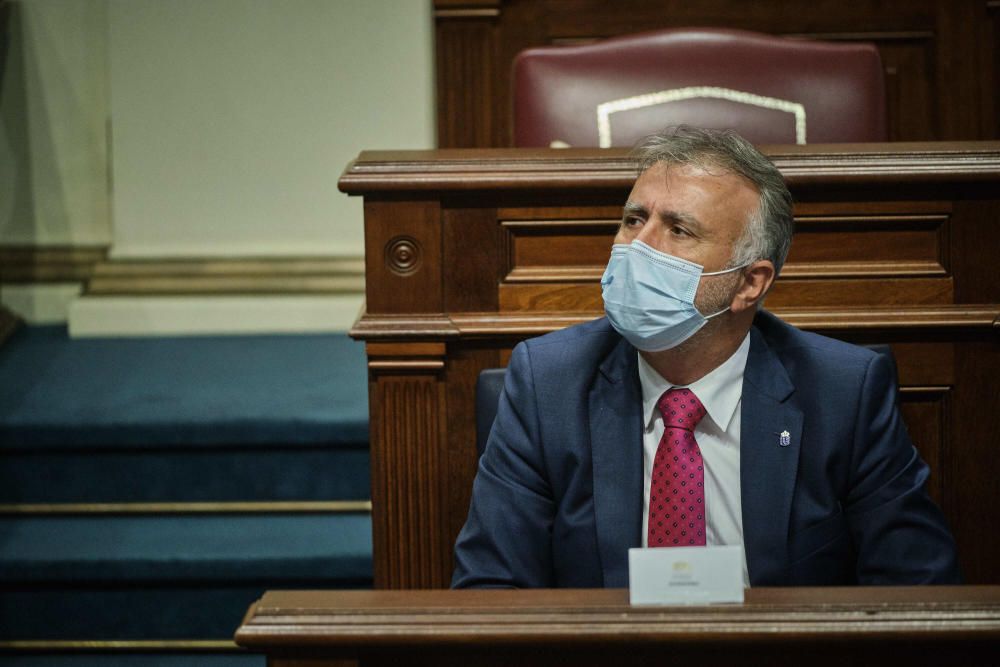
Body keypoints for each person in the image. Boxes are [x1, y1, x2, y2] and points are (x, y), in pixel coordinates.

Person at [452, 126, 960, 588]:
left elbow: (915, 587)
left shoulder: (843, 392)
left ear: (749, 282)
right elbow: (492, 588)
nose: (637, 248)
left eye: (679, 230)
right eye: (634, 220)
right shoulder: (548, 383)